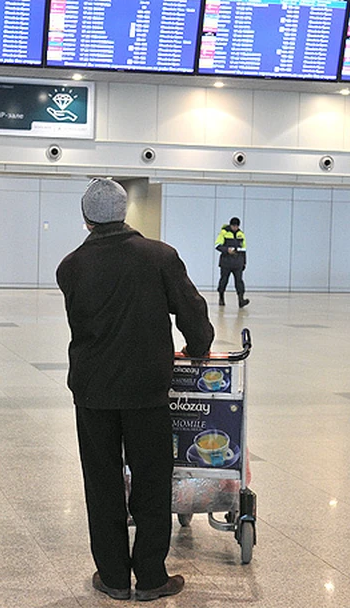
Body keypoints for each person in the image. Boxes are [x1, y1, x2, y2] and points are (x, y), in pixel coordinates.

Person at [56, 179, 214, 602]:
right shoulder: (159, 257)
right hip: (147, 389)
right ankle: (149, 578)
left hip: (92, 391)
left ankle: (112, 576)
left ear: (86, 219)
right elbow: (191, 309)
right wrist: (198, 346)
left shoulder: (70, 266)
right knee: (151, 479)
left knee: (102, 481)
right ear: (124, 213)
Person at [215, 217, 249, 308]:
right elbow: (218, 245)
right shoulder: (224, 233)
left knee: (239, 281)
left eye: (237, 226)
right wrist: (227, 250)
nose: (235, 228)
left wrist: (244, 262)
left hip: (238, 262)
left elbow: (244, 249)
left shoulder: (241, 234)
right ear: (230, 225)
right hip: (226, 262)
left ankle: (241, 300)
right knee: (224, 280)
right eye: (233, 226)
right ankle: (221, 297)